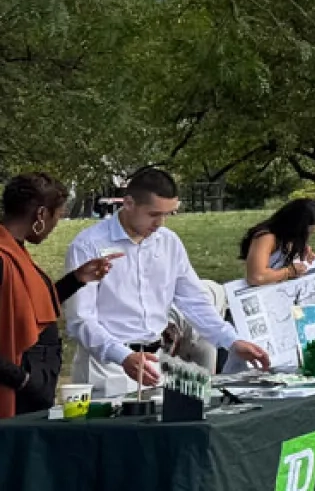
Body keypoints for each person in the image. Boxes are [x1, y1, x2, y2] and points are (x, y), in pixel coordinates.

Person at [64, 166, 270, 396]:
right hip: (106, 365)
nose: (160, 223)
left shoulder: (168, 242)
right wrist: (122, 356)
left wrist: (231, 341)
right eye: (153, 214)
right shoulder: (89, 245)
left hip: (155, 361)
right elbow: (80, 319)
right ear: (129, 203)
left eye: (167, 214)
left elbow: (194, 300)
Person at [0, 175, 113, 418]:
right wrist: (23, 380)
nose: (55, 226)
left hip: (33, 386)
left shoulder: (15, 250)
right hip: (16, 390)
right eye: (57, 216)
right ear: (41, 214)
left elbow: (29, 310)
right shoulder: (3, 257)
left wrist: (76, 279)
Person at [237, 199, 315, 286]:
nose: (307, 237)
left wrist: (302, 259)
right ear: (295, 227)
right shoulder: (266, 238)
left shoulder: (289, 237)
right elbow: (256, 277)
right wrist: (289, 272)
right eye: (306, 233)